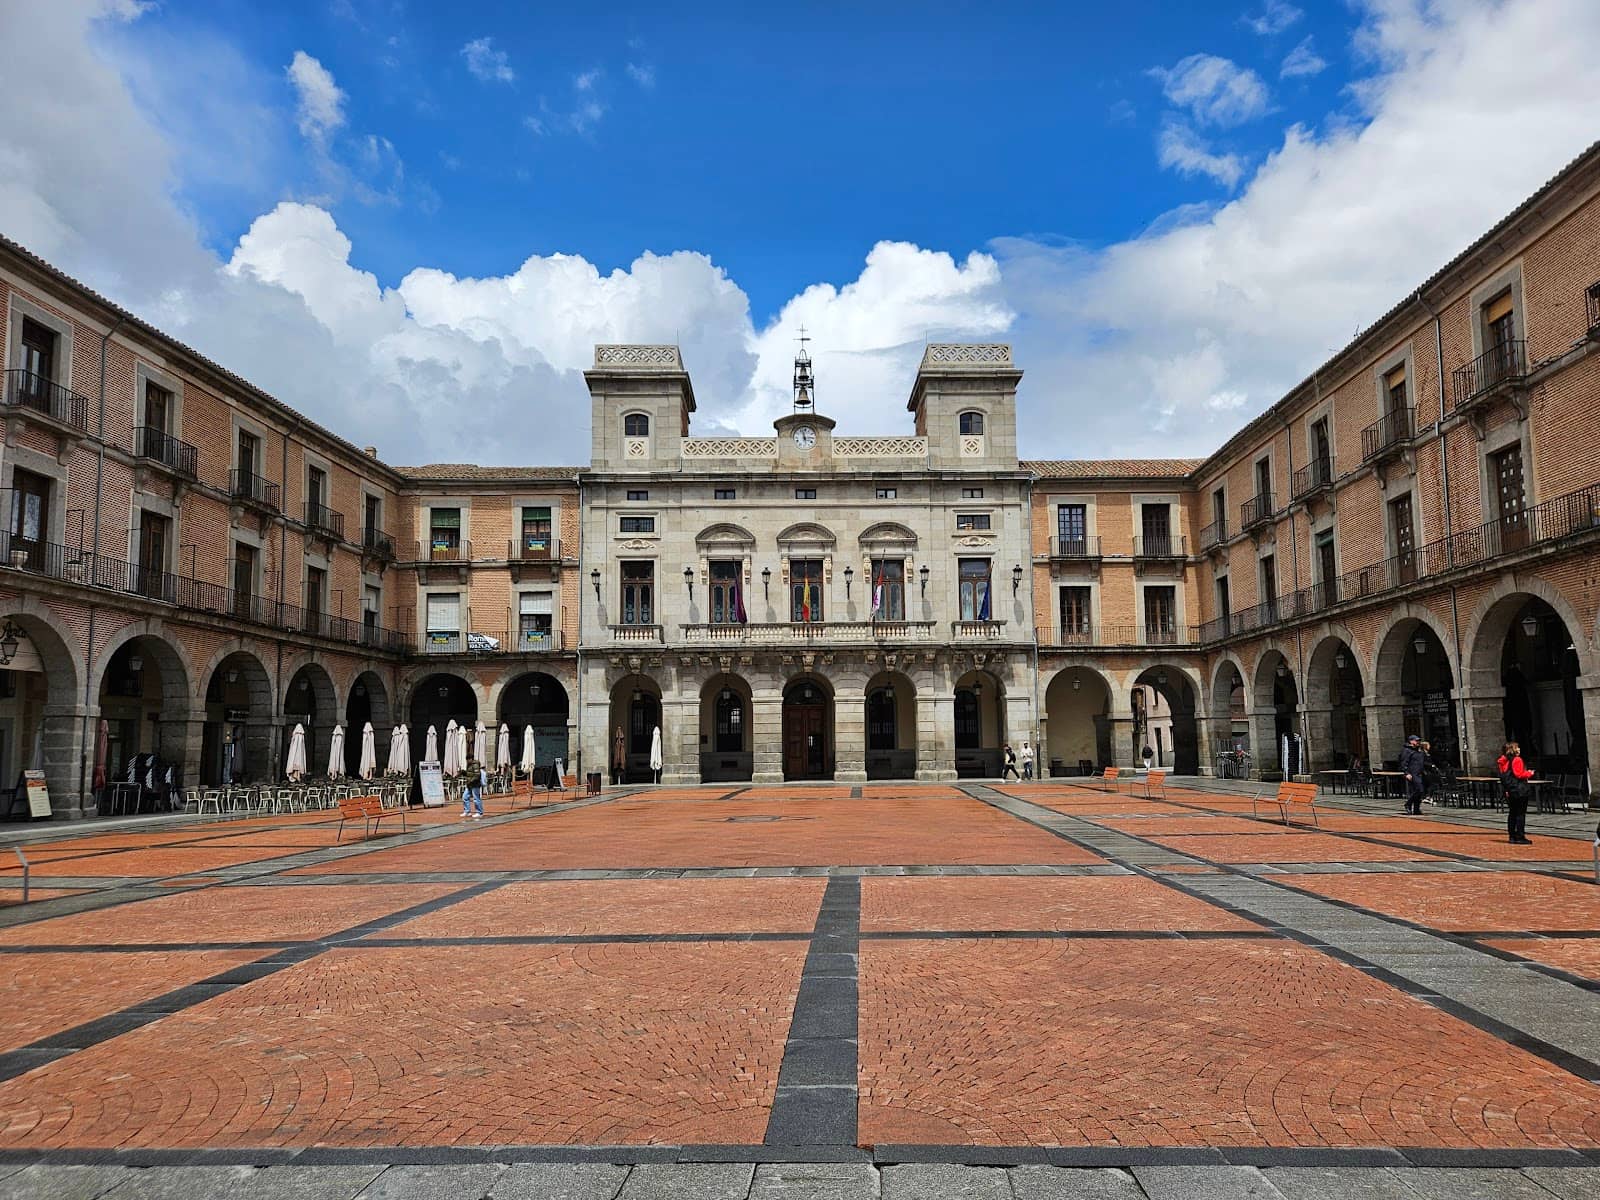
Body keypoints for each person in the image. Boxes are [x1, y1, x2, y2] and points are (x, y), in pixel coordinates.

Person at [1497, 740, 1534, 845]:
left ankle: (1512, 835)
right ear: (1513, 749)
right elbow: (1519, 774)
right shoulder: (1517, 760)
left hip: (1510, 790)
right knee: (1520, 813)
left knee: (1512, 813)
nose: (1519, 749)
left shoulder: (1503, 761)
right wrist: (1529, 773)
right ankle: (1520, 836)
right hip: (1519, 789)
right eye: (1517, 747)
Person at [1398, 734, 1426, 815]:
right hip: (1412, 773)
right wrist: (1406, 773)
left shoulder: (1419, 750)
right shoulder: (1407, 750)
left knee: (1419, 791)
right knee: (1419, 790)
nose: (1418, 742)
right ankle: (1408, 804)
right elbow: (1403, 763)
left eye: (1419, 741)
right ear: (1411, 741)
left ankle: (1416, 809)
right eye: (1416, 740)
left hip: (1420, 773)